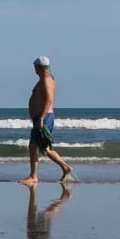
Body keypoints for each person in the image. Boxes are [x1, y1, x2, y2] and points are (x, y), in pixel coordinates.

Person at [23, 56, 75, 186]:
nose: (34, 69)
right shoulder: (45, 79)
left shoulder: (47, 81)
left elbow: (49, 101)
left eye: (35, 67)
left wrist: (41, 118)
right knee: (35, 147)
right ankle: (61, 168)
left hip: (44, 117)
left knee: (41, 148)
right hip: (41, 117)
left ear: (39, 67)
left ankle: (36, 175)